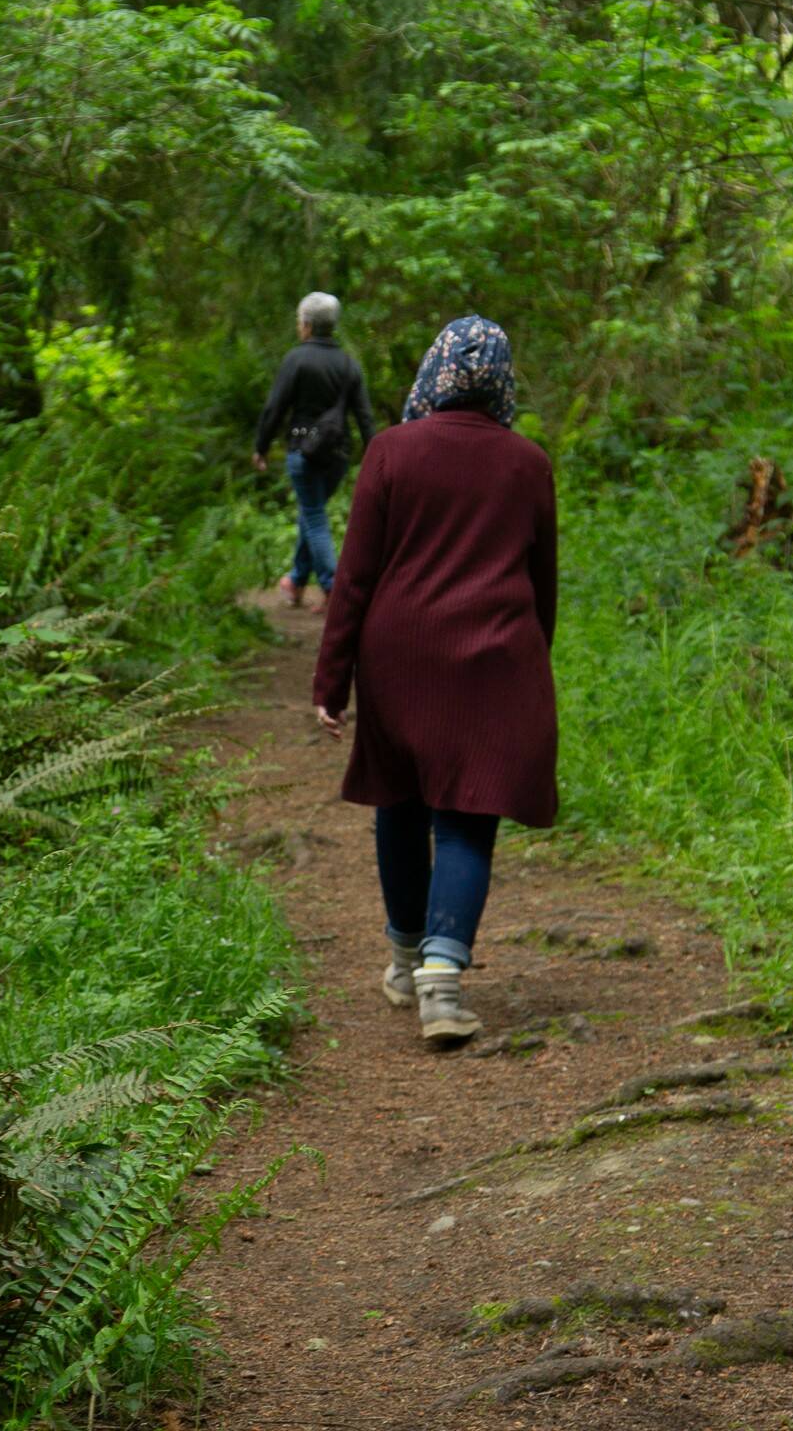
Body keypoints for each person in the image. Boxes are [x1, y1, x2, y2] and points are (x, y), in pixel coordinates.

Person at [312, 315, 557, 1047]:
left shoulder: (391, 451)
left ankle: (403, 958)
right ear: (500, 380)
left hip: (399, 656)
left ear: (434, 371)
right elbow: (540, 581)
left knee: (399, 802)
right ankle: (440, 986)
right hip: (493, 658)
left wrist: (331, 680)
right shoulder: (527, 462)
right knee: (465, 817)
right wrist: (529, 663)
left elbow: (354, 576)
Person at [253, 292, 375, 607]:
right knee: (313, 511)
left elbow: (274, 408)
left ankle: (335, 589)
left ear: (306, 325)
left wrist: (261, 447)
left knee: (314, 515)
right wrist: (375, 454)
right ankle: (295, 581)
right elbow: (364, 416)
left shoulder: (297, 359)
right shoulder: (349, 364)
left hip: (303, 451)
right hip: (338, 455)